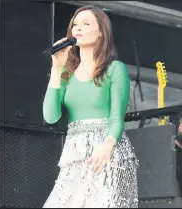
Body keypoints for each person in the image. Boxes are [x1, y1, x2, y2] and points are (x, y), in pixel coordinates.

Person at [42, 5, 139, 208]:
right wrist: (57, 68)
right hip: (75, 155)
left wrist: (108, 144)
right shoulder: (66, 74)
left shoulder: (114, 69)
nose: (78, 28)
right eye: (75, 25)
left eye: (86, 24)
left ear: (101, 32)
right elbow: (51, 116)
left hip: (107, 152)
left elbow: (116, 116)